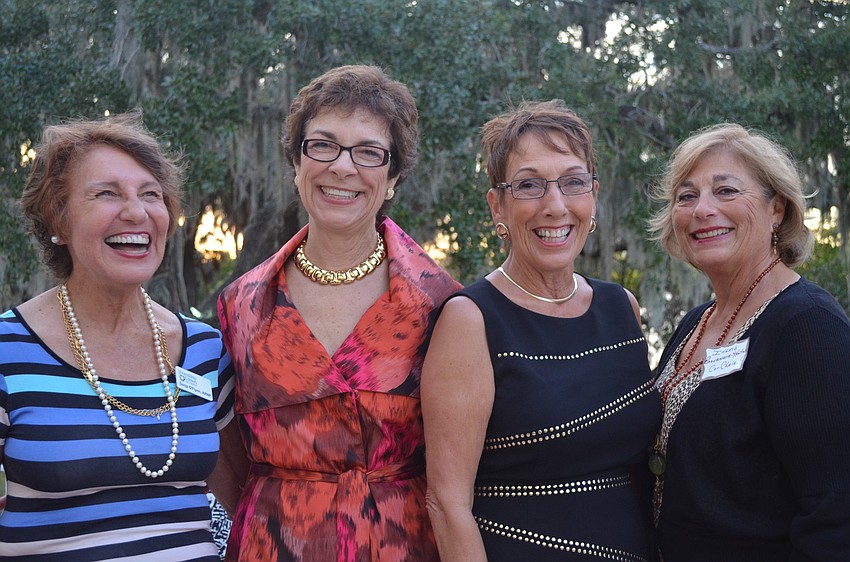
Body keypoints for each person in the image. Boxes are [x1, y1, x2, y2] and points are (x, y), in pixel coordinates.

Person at [211, 65, 461, 562]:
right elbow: (228, 463)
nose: (342, 167)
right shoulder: (240, 304)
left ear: (392, 179)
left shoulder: (442, 304)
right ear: (296, 164)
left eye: (368, 152)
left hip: (401, 547)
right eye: (322, 145)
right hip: (270, 547)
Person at [422, 100, 661, 562]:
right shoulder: (470, 320)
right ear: (498, 206)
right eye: (529, 185)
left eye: (573, 182)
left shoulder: (622, 308)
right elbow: (448, 505)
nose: (555, 206)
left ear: (594, 195)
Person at [0, 111, 234, 559]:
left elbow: (240, 496)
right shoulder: (9, 350)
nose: (136, 211)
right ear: (57, 221)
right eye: (106, 194)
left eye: (151, 195)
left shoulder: (205, 349)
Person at [647, 123, 850, 561]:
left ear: (776, 209)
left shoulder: (807, 326)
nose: (702, 209)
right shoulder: (695, 323)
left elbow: (836, 514)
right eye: (687, 196)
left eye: (725, 191)